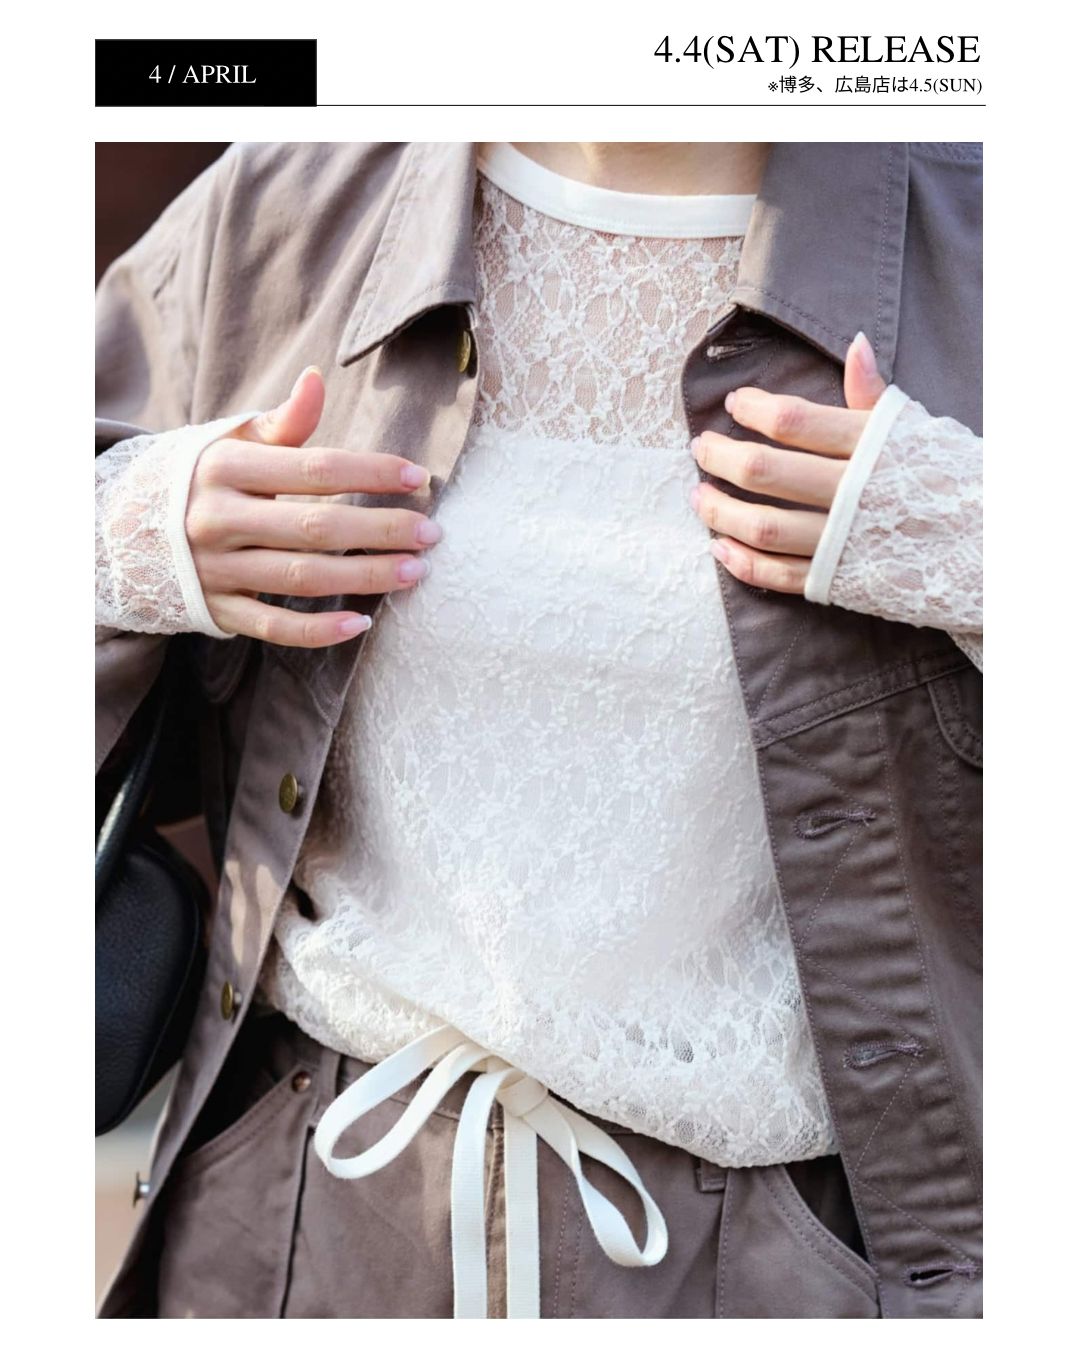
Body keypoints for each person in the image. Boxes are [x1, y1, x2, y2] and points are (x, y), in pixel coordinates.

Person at [95, 141, 982, 1319]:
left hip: (770, 1268)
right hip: (299, 1229)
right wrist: (121, 539)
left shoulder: (987, 242)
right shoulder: (291, 200)